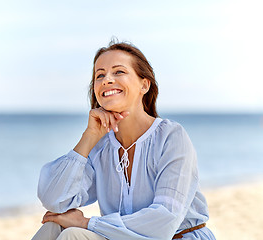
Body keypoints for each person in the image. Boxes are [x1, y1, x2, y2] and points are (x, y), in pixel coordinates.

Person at [31, 41, 216, 240]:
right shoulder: (100, 147)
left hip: (178, 237)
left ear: (144, 85)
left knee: (73, 235)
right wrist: (89, 137)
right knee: (53, 227)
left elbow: (164, 221)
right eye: (99, 75)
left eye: (118, 72)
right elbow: (55, 201)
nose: (107, 79)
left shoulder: (171, 137)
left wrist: (86, 223)